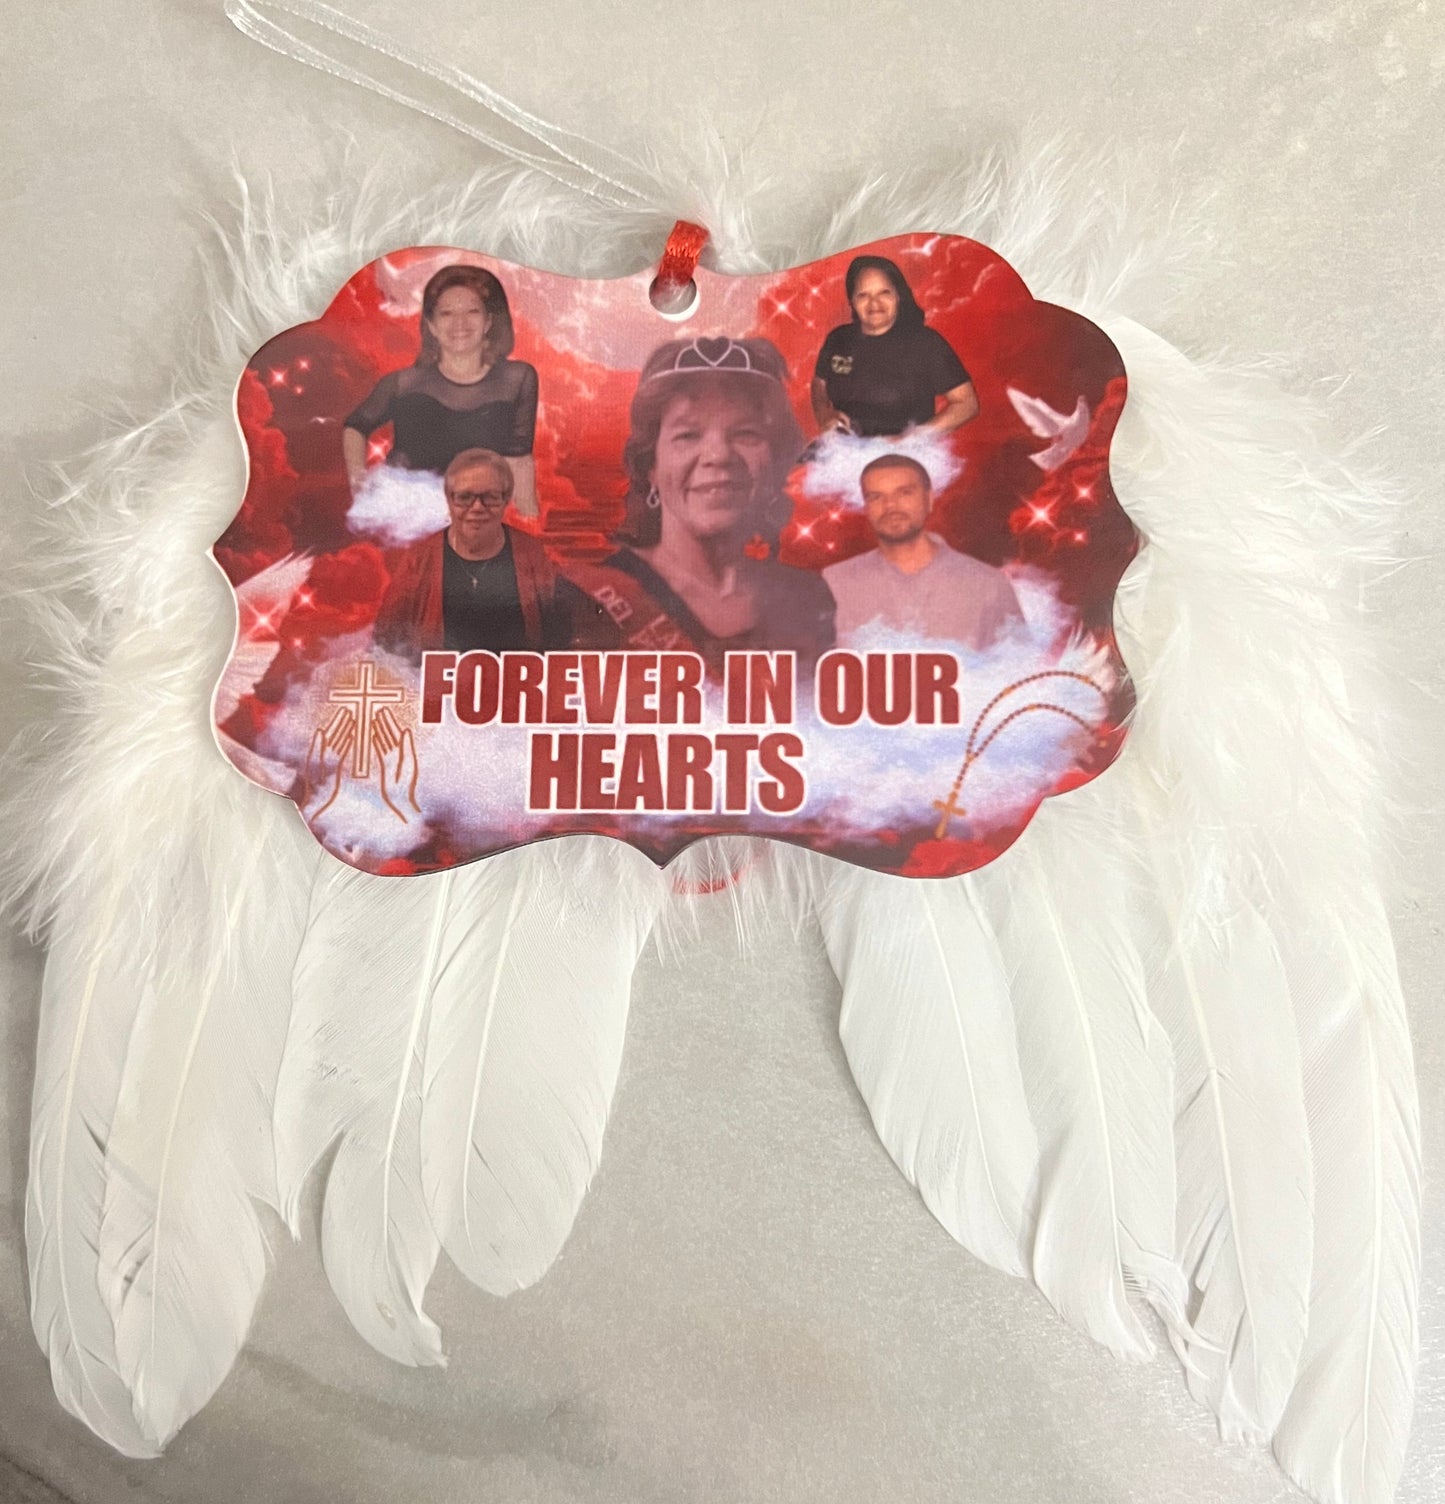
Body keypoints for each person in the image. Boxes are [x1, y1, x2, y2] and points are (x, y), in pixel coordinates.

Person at [567, 336, 834, 674]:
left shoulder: (811, 600)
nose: (718, 455)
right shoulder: (585, 601)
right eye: (688, 435)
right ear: (650, 466)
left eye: (746, 433)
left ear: (775, 463)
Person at [342, 264, 540, 516]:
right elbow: (355, 426)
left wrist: (528, 519)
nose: (460, 323)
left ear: (488, 321)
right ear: (432, 325)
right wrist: (359, 487)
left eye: (472, 311)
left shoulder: (517, 379)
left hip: (478, 518)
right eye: (447, 313)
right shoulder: (403, 384)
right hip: (408, 518)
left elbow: (519, 459)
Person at [373, 448, 568, 656]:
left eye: (490, 497)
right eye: (465, 497)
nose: (477, 507)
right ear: (449, 499)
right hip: (435, 678)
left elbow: (560, 636)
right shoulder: (419, 559)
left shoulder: (532, 554)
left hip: (518, 676)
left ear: (506, 500)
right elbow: (385, 642)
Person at [823, 454, 1022, 648]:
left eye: (905, 493)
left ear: (929, 499)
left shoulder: (987, 584)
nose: (890, 506)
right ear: (866, 506)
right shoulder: (834, 583)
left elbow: (1020, 665)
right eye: (876, 497)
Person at [811, 255, 979, 439]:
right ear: (851, 300)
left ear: (898, 295)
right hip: (845, 448)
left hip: (910, 451)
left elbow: (967, 404)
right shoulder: (838, 338)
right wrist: (824, 414)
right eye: (863, 295)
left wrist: (909, 439)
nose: (874, 303)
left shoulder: (925, 343)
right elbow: (819, 385)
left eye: (884, 293)